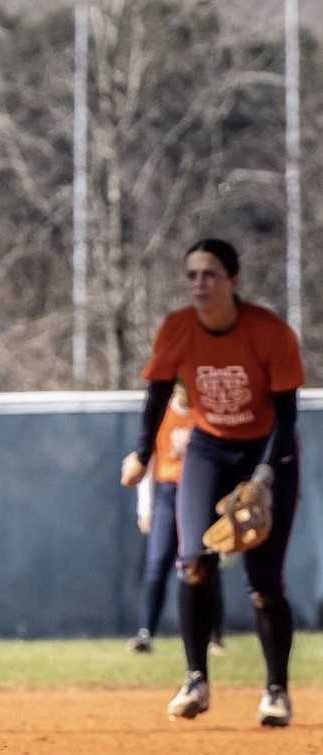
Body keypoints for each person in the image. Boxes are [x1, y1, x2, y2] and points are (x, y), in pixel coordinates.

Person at [121, 238, 304, 726]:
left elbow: (287, 413)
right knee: (194, 562)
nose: (199, 283)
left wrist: (266, 473)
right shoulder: (178, 328)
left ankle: (276, 691)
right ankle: (196, 679)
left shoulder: (269, 331)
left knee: (264, 583)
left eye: (210, 274)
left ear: (233, 281)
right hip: (210, 448)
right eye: (192, 275)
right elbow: (157, 393)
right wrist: (142, 453)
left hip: (270, 451)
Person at [127, 382, 225, 654]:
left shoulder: (205, 413)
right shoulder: (162, 413)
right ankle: (145, 632)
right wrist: (144, 508)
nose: (185, 388)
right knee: (157, 562)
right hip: (168, 494)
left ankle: (213, 635)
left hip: (201, 492)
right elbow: (147, 462)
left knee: (204, 563)